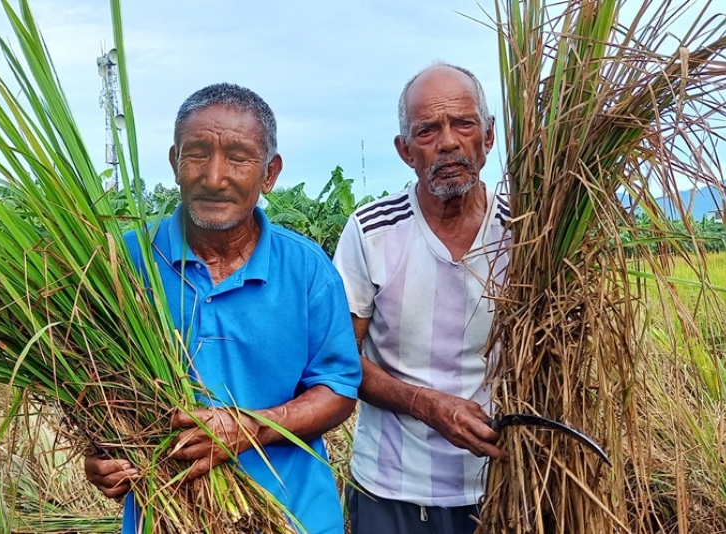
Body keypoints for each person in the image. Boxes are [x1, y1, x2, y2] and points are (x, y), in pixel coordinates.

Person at [83, 83, 362, 533]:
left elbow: (338, 390)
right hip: (166, 517)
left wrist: (250, 426)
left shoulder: (308, 270)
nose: (214, 177)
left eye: (238, 157)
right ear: (175, 163)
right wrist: (100, 458)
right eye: (197, 153)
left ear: (269, 173)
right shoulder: (125, 263)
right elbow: (96, 385)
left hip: (293, 516)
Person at [332, 63, 512, 534]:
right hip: (390, 490)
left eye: (464, 123)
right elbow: (340, 361)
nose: (448, 141)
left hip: (504, 484)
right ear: (405, 150)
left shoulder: (527, 232)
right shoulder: (371, 232)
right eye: (428, 130)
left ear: (489, 136)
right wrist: (428, 405)